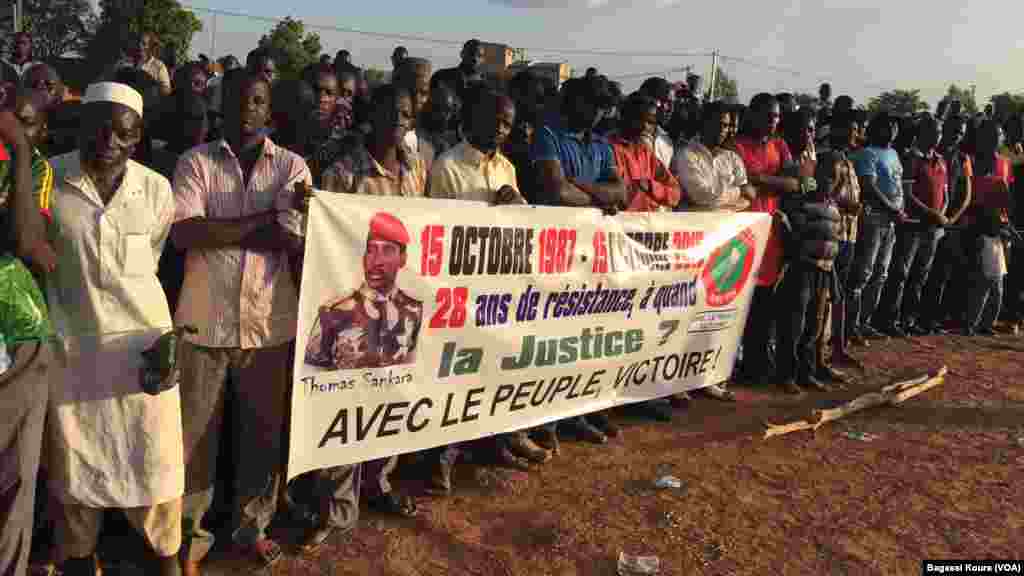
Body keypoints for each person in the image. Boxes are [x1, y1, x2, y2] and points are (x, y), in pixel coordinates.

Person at [171, 69, 309, 574]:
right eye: (236, 99)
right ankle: (190, 536)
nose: (246, 108)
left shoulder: (293, 166)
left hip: (268, 324)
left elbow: (291, 239)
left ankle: (250, 530)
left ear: (268, 109)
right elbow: (185, 234)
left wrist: (225, 229)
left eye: (256, 101)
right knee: (194, 441)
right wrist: (261, 223)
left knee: (261, 436)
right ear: (221, 104)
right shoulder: (195, 162)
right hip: (203, 322)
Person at [45, 82, 182, 576]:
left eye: (122, 134)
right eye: (98, 129)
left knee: (158, 483)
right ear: (81, 127)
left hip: (144, 362)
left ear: (138, 136)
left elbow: (156, 259)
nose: (109, 142)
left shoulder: (156, 189)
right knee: (76, 487)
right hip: (73, 361)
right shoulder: (48, 180)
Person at [531, 74, 627, 439]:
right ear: (576, 102)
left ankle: (575, 413)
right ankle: (545, 421)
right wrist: (602, 196)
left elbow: (622, 192)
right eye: (593, 105)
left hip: (592, 254)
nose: (598, 114)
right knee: (550, 341)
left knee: (584, 338)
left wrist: (583, 187)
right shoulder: (549, 134)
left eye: (604, 108)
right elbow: (556, 191)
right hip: (555, 251)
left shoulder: (602, 143)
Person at [0, 93, 55, 576]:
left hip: (17, 331)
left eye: (26, 125)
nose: (13, 127)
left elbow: (23, 239)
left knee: (16, 473)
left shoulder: (36, 170)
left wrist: (18, 153)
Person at [733, 93, 808, 390]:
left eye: (776, 117)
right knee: (737, 300)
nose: (772, 121)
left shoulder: (780, 145)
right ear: (751, 114)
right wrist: (776, 181)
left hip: (771, 235)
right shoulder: (735, 144)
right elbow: (741, 181)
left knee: (763, 304)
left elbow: (795, 183)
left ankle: (755, 366)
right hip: (739, 233)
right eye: (766, 115)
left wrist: (761, 180)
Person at [776, 109, 842, 395]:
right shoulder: (801, 185)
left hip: (825, 268)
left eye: (837, 177)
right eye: (828, 175)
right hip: (802, 265)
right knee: (795, 320)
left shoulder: (832, 205)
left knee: (813, 324)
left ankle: (807, 370)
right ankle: (786, 373)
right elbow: (793, 223)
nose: (832, 180)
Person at [877, 115, 947, 337]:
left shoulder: (941, 160)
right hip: (913, 225)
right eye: (934, 131)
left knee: (920, 275)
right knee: (901, 274)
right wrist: (933, 214)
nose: (938, 135)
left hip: (933, 228)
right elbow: (907, 195)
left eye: (939, 131)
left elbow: (945, 195)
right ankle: (889, 319)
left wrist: (941, 215)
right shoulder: (911, 159)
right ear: (922, 133)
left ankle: (908, 319)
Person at [847, 113, 905, 346]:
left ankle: (864, 322)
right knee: (864, 272)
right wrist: (893, 207)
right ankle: (850, 325)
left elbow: (898, 184)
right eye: (886, 126)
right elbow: (869, 187)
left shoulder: (893, 153)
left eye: (894, 126)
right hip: (874, 219)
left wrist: (898, 209)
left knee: (881, 273)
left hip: (891, 220)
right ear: (875, 129)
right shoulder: (866, 154)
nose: (892, 130)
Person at [816, 111, 862, 372]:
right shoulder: (825, 157)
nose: (856, 134)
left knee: (839, 291)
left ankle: (838, 347)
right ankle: (821, 353)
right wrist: (847, 204)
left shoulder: (849, 159)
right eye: (853, 129)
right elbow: (819, 192)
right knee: (827, 293)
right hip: (829, 232)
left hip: (848, 232)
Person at [919, 114, 973, 333]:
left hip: (952, 223)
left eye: (960, 132)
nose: (956, 135)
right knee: (924, 272)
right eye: (953, 130)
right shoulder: (932, 156)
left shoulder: (963, 159)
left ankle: (935, 318)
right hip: (929, 221)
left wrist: (951, 219)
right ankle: (919, 317)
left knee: (943, 273)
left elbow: (967, 194)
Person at [674, 100, 754, 213]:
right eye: (717, 124)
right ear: (704, 123)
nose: (722, 130)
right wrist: (739, 192)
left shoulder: (732, 158)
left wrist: (713, 203)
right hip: (696, 227)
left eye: (726, 126)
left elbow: (746, 201)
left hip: (727, 227)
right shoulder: (686, 155)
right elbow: (701, 196)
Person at [637, 77, 675, 168]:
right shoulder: (625, 140)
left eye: (672, 103)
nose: (670, 109)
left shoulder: (666, 141)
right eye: (666, 102)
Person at [432, 39, 486, 103]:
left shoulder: (485, 83)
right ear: (462, 54)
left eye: (479, 56)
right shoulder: (442, 76)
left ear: (483, 60)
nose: (475, 59)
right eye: (471, 53)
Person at [120, 32, 171, 96]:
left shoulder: (159, 66)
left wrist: (152, 86)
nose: (140, 46)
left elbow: (167, 90)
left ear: (150, 47)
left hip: (149, 103)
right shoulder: (127, 62)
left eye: (144, 44)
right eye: (138, 42)